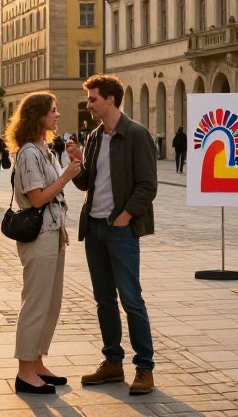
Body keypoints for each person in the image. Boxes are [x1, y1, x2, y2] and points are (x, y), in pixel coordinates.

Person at [67, 74, 158, 396]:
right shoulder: (93, 137)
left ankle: (144, 368)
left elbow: (148, 185)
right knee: (103, 299)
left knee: (132, 299)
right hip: (93, 227)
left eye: (93, 100)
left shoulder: (136, 134)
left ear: (110, 99)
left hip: (119, 229)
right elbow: (88, 183)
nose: (89, 105)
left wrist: (124, 217)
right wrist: (78, 163)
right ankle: (113, 362)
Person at [7, 92, 82, 395]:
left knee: (51, 303)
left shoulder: (44, 149)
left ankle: (37, 362)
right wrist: (66, 176)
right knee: (36, 304)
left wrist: (75, 164)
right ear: (38, 116)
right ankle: (25, 371)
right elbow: (37, 197)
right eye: (53, 111)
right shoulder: (28, 153)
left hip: (54, 232)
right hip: (38, 236)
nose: (57, 115)